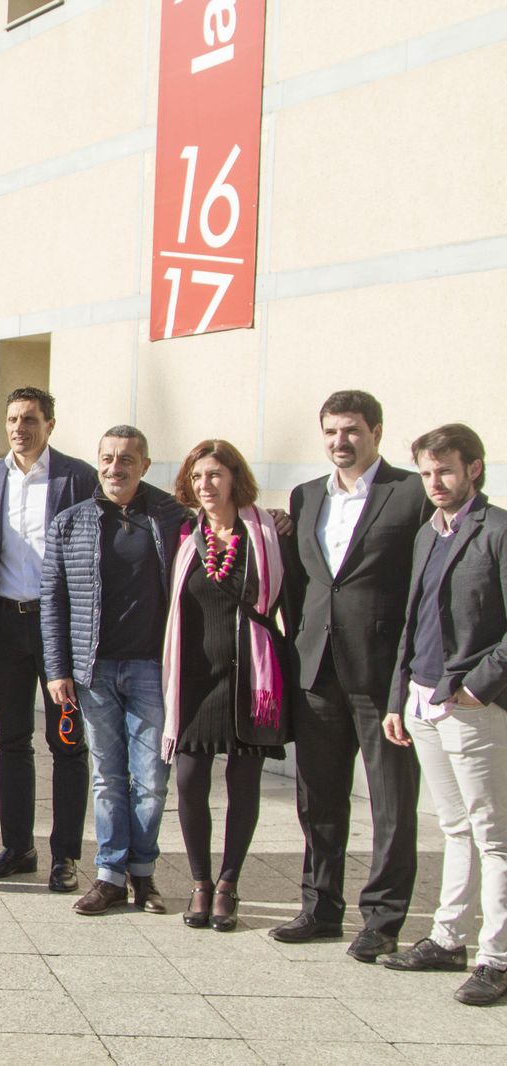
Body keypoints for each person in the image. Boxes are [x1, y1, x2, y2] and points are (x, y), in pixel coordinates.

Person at [272, 390, 428, 961]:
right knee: (317, 797)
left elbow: (423, 583)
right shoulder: (307, 496)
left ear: (377, 432)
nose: (342, 442)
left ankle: (382, 921)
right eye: (333, 431)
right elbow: (303, 584)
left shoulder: (410, 493)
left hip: (383, 675)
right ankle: (320, 908)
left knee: (390, 802)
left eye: (353, 431)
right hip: (316, 670)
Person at [381, 424, 507, 1006]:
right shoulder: (428, 533)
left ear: (474, 469)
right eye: (427, 472)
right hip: (422, 699)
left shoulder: (499, 530)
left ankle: (497, 958)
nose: (435, 483)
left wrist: (479, 687)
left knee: (494, 836)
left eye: (446, 471)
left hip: (472, 706)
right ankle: (448, 938)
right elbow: (413, 619)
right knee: (453, 828)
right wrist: (398, 696)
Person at [41, 427, 187, 915]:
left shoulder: (171, 517)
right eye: (106, 458)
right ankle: (109, 875)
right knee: (106, 776)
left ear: (145, 464)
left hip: (152, 669)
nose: (114, 467)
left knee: (151, 780)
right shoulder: (71, 523)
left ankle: (142, 874)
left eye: (126, 459)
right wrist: (58, 669)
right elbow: (53, 603)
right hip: (93, 669)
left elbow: (227, 524)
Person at [161, 440, 291, 932]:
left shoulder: (271, 534)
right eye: (197, 477)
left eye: (214, 475)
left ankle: (229, 884)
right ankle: (199, 882)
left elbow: (290, 605)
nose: (205, 485)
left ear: (235, 477)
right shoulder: (185, 537)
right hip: (194, 678)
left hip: (251, 678)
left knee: (244, 786)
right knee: (191, 782)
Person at [0, 386, 96, 891]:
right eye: (12, 419)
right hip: (6, 624)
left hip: (57, 627)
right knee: (11, 738)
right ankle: (17, 845)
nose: (20, 428)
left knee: (65, 740)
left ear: (50, 424)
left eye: (30, 419)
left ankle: (64, 855)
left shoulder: (77, 477)